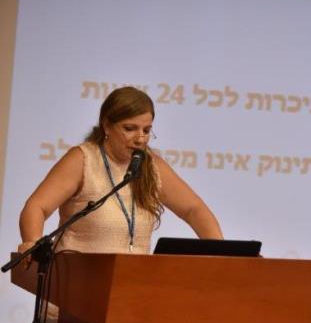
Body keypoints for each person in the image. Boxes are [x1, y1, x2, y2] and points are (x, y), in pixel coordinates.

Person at [18, 86, 223, 260]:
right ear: (107, 125)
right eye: (130, 128)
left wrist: (222, 255)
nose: (140, 139)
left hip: (131, 286)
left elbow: (194, 210)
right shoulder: (83, 160)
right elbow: (37, 207)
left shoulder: (152, 166)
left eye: (146, 130)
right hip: (75, 283)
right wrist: (32, 243)